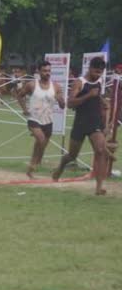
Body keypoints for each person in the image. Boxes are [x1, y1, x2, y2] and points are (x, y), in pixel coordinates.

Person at [52, 56, 109, 195]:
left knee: (100, 151)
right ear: (89, 69)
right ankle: (59, 168)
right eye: (96, 72)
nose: (98, 75)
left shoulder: (99, 82)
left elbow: (97, 98)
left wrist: (102, 103)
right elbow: (70, 103)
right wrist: (88, 95)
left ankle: (99, 187)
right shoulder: (79, 82)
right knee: (72, 155)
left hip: (95, 123)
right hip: (80, 123)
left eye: (100, 72)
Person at [16, 61, 66, 177]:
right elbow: (19, 95)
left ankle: (32, 167)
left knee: (42, 145)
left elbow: (63, 106)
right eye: (44, 71)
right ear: (38, 71)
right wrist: (24, 109)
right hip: (34, 118)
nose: (47, 73)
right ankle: (33, 164)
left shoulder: (56, 86)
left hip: (48, 120)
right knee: (40, 139)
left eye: (49, 71)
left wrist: (60, 100)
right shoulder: (32, 85)